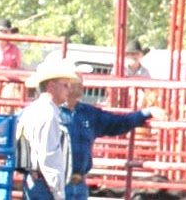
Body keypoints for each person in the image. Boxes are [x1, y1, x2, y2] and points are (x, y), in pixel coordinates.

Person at [60, 65, 165, 200]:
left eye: (81, 79)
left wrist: (146, 113)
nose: (81, 83)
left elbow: (118, 123)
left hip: (77, 183)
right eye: (76, 79)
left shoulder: (88, 113)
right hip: (55, 181)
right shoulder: (51, 113)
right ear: (63, 84)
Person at [16, 59, 78, 200]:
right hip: (43, 184)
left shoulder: (32, 109)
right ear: (51, 86)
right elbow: (49, 157)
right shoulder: (48, 114)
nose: (69, 90)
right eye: (65, 85)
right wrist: (58, 193)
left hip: (33, 180)